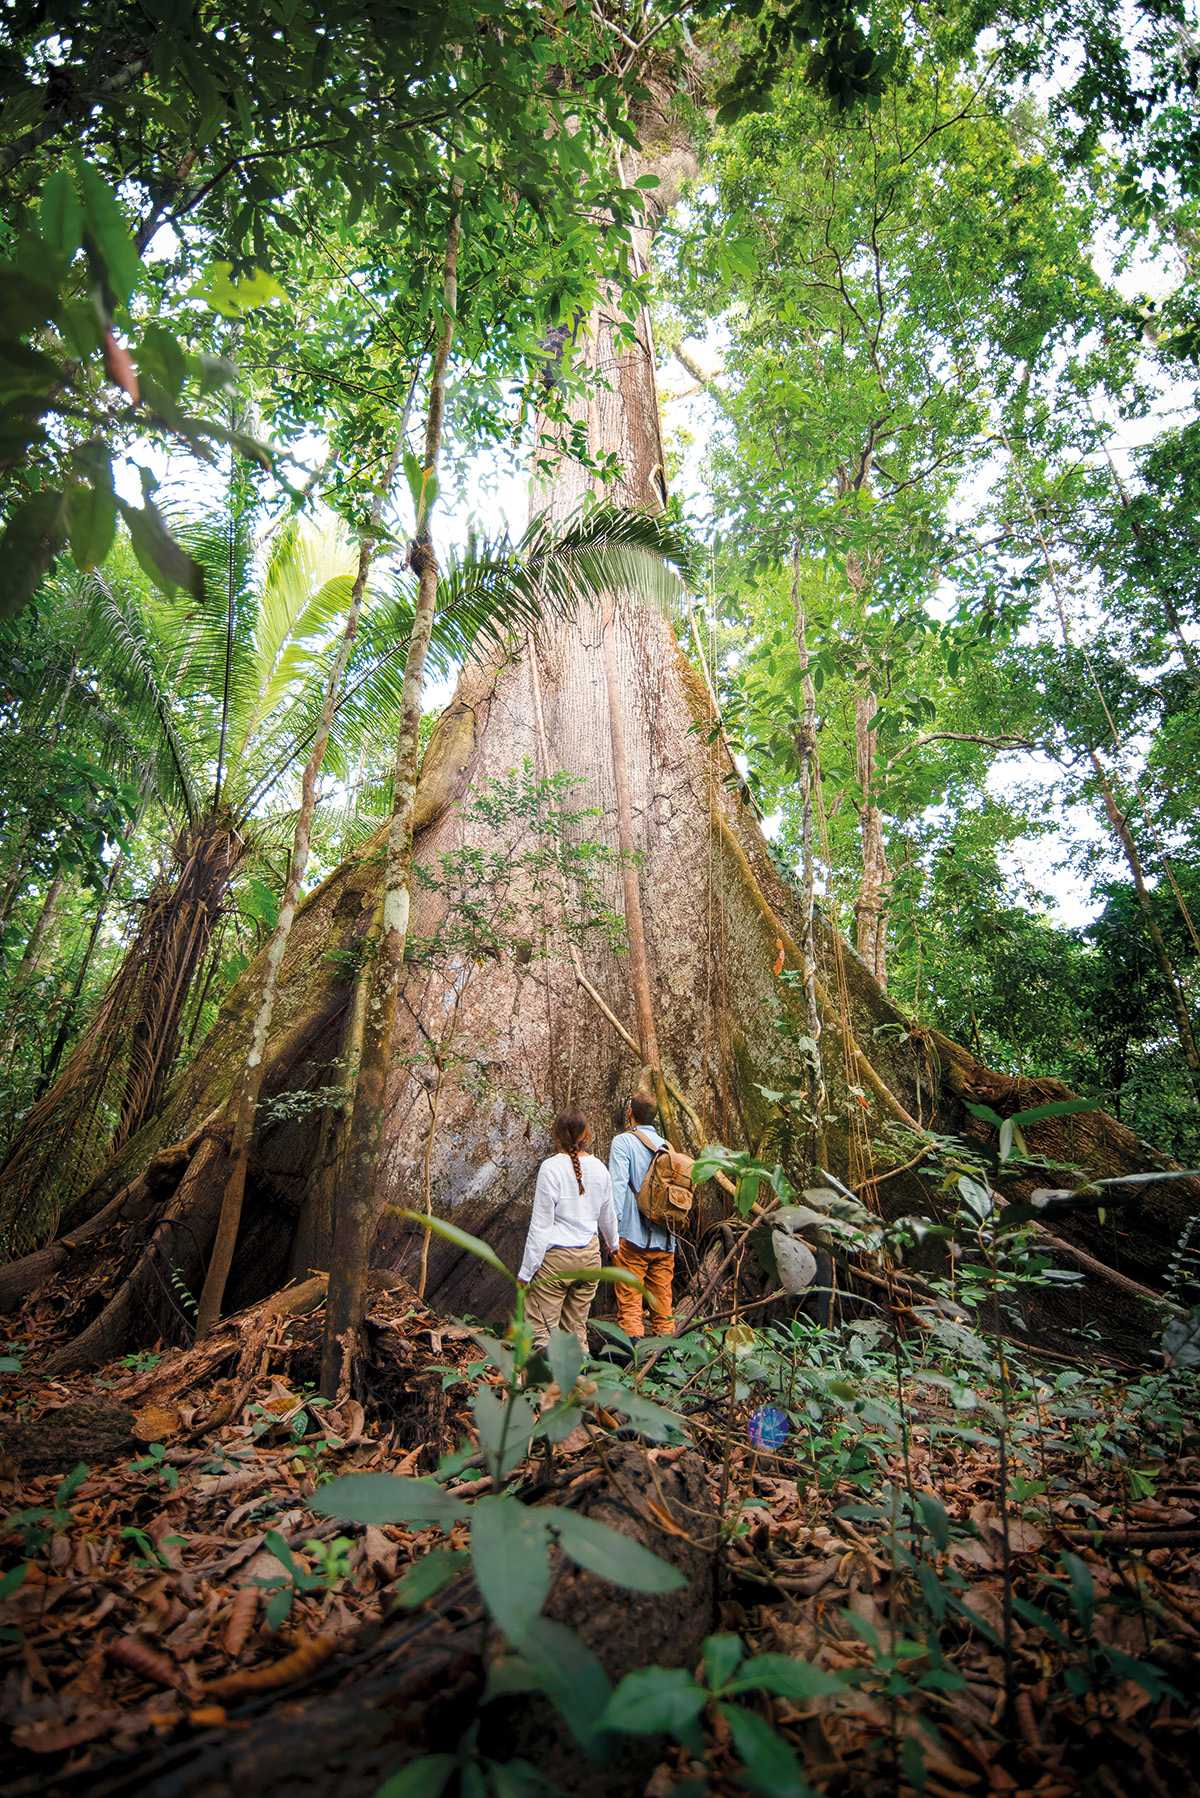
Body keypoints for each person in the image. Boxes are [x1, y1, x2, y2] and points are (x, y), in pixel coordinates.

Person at [518, 1105, 619, 1350]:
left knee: (541, 1331)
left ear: (557, 1136)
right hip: (589, 1259)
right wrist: (613, 1245)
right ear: (587, 1135)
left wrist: (527, 1270)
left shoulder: (551, 1168)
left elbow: (541, 1225)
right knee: (576, 1330)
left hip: (556, 1261)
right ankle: (581, 1382)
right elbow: (608, 1215)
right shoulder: (601, 1169)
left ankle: (543, 1384)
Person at [608, 1088, 675, 1339]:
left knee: (630, 1300)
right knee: (663, 1303)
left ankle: (634, 1361)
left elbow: (617, 1185)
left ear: (630, 1113)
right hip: (665, 1237)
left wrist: (611, 1232)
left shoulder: (623, 1142)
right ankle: (666, 1361)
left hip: (633, 1237)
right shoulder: (668, 1147)